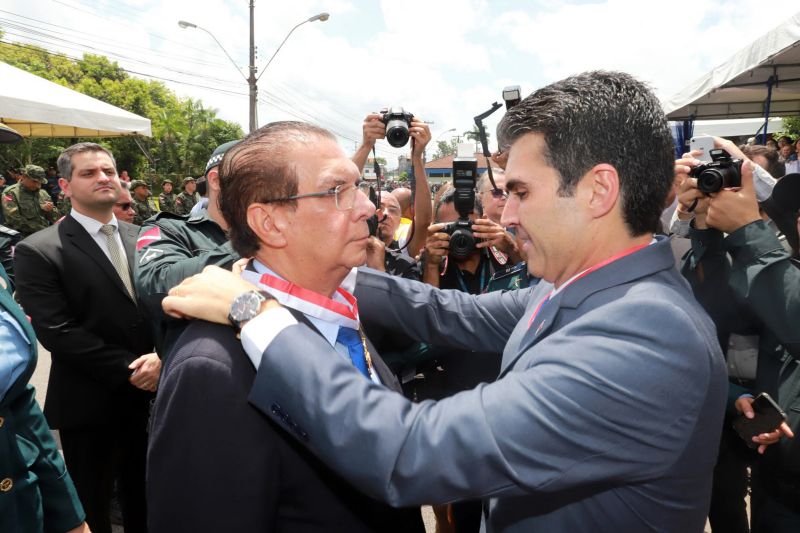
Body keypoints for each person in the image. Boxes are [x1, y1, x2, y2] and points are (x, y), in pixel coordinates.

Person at [164, 71, 729, 532]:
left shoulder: (646, 332)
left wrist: (255, 312)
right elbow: (450, 313)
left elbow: (411, 453)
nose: (506, 215)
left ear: (598, 190)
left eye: (520, 192)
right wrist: (318, 272)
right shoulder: (584, 288)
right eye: (338, 192)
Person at [146, 122, 425, 532]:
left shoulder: (335, 311)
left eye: (359, 187)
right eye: (337, 191)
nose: (368, 208)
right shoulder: (213, 368)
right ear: (270, 223)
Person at [14, 142, 159, 533]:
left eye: (109, 171)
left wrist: (163, 357)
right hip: (90, 403)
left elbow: (164, 305)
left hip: (152, 399)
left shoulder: (145, 238)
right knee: (91, 507)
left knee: (148, 501)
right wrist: (134, 369)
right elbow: (57, 331)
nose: (103, 178)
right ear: (64, 186)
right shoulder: (39, 249)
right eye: (89, 173)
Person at [134, 140, 241, 359]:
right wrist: (248, 244)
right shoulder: (169, 229)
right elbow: (156, 286)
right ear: (216, 180)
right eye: (254, 176)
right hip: (202, 371)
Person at [351, 113, 432, 256]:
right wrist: (366, 145)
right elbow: (342, 189)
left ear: (400, 221)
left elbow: (423, 222)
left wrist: (417, 157)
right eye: (378, 206)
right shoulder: (348, 247)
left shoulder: (404, 249)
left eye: (393, 210)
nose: (385, 214)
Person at [2, 164, 59, 237]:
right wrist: (41, 229)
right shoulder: (11, 193)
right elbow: (13, 219)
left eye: (40, 182)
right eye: (34, 181)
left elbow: (55, 218)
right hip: (23, 237)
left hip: (44, 234)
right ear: (24, 177)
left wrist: (50, 210)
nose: (37, 185)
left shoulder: (43, 193)